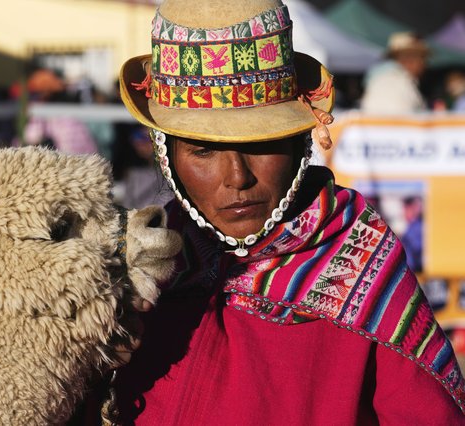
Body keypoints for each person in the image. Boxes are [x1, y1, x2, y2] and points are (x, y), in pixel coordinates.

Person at [79, 0, 465, 424]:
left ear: (300, 142)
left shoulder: (360, 262)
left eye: (262, 144)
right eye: (203, 151)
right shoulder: (134, 272)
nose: (237, 177)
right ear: (167, 155)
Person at [360, 32, 430, 114]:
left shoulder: (384, 78)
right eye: (422, 58)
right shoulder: (393, 81)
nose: (425, 64)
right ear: (408, 60)